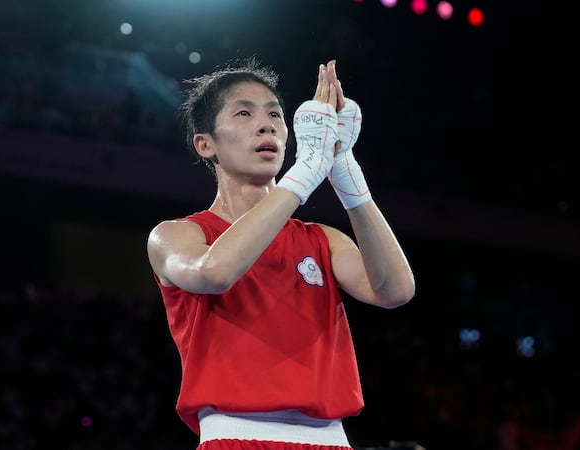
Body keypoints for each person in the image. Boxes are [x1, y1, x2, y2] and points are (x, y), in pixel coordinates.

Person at [146, 57, 416, 450]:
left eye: (276, 114)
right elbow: (215, 272)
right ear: (206, 144)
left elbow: (395, 291)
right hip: (236, 437)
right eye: (244, 112)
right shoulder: (177, 235)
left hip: (333, 441)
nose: (266, 123)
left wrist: (344, 170)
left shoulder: (322, 239)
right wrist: (306, 172)